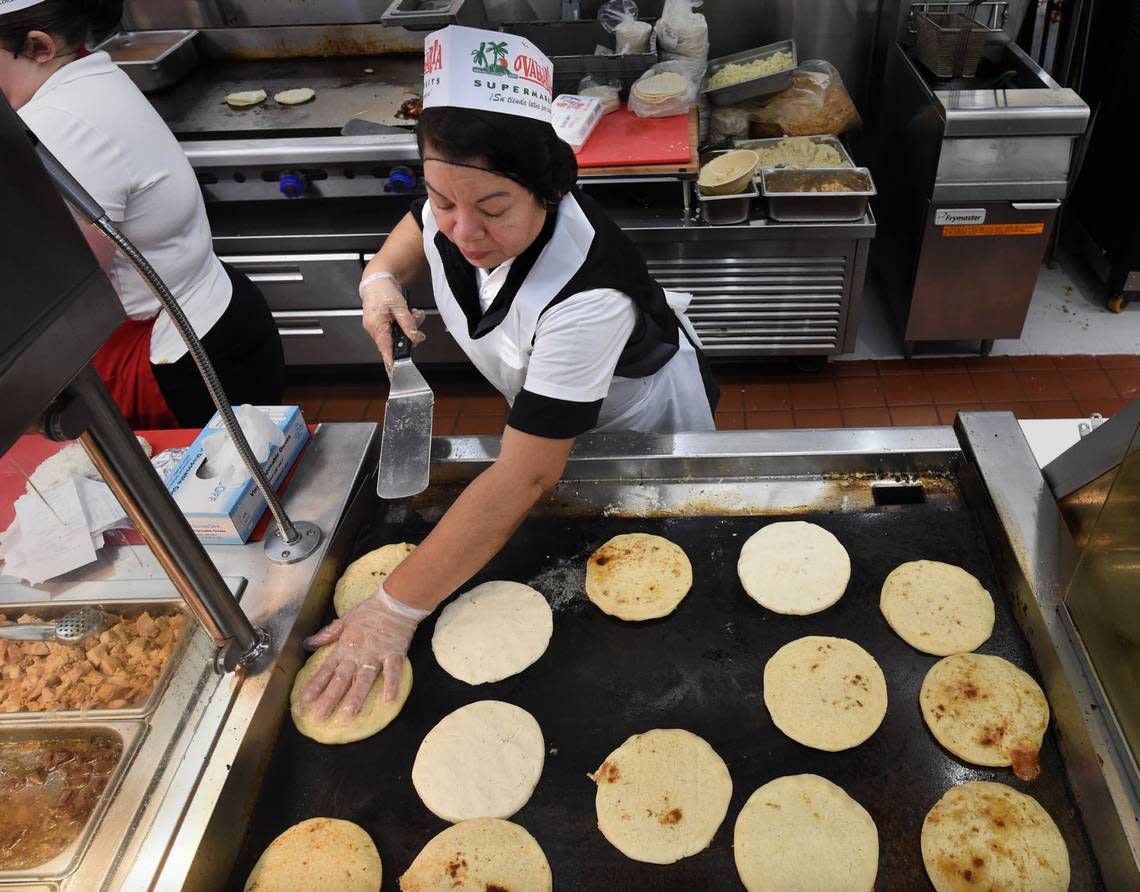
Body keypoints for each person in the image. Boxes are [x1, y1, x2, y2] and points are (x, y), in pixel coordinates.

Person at [299, 25, 718, 719]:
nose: (461, 233)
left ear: (548, 193)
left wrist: (394, 608)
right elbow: (415, 224)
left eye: (492, 210)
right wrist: (380, 279)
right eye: (444, 199)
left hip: (633, 418)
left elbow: (527, 473)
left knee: (651, 566)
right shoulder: (460, 201)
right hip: (546, 419)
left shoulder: (587, 295)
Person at [0, 0, 284, 428]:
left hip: (179, 359)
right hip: (219, 321)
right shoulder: (87, 78)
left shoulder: (58, 122)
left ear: (39, 46)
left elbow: (64, 295)